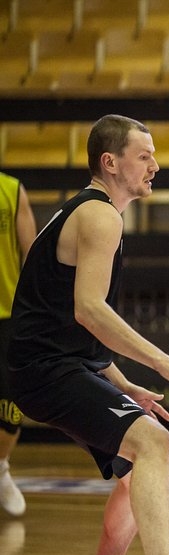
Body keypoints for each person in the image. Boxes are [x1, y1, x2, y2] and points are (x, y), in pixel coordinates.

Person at [7, 115, 169, 555]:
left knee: (140, 458)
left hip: (54, 363)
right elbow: (89, 311)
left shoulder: (91, 212)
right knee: (153, 442)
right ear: (110, 162)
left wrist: (125, 385)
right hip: (45, 370)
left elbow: (66, 319)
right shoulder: (100, 216)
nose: (156, 165)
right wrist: (164, 362)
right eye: (144, 155)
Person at [0, 171, 36, 518]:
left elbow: (32, 254)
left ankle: (1, 468)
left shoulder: (11, 190)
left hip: (7, 316)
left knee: (11, 406)